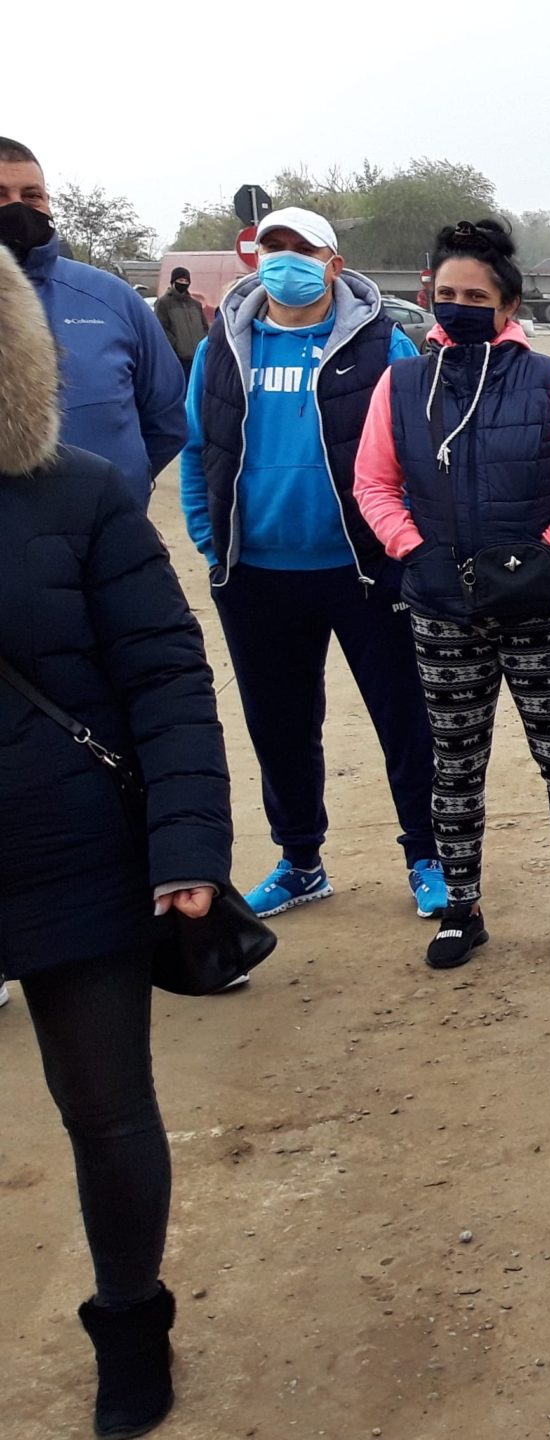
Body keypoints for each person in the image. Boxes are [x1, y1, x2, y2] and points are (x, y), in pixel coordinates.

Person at [0, 246, 232, 1440]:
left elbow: (165, 676)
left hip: (70, 855)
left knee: (105, 1110)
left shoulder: (80, 492)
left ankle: (131, 1321)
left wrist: (186, 845)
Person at [352, 219, 550, 969]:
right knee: (455, 767)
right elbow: (374, 484)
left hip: (539, 609)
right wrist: (414, 550)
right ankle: (461, 910)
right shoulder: (403, 383)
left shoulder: (548, 380)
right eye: (446, 293)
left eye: (476, 294)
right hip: (442, 612)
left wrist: (547, 553)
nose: (458, 304)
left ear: (506, 305)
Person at [177, 206, 445, 922]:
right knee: (280, 726)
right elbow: (200, 448)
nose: (286, 259)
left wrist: (405, 547)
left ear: (333, 263)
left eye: (303, 248)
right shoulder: (222, 349)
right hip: (256, 573)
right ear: (253, 257)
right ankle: (301, 861)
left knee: (404, 718)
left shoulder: (380, 345)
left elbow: (413, 454)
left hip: (362, 570)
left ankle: (427, 854)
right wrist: (213, 542)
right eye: (274, 246)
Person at [0, 136, 186, 505]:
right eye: (1, 193)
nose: (18, 207)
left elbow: (166, 419)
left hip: (102, 541)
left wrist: (123, 491)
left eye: (32, 195)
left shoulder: (112, 297)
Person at [153, 267, 210, 375]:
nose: (183, 283)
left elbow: (204, 326)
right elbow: (161, 328)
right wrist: (176, 346)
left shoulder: (195, 304)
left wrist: (204, 342)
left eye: (186, 281)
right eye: (180, 281)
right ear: (173, 282)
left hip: (197, 357)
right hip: (178, 359)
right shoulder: (163, 303)